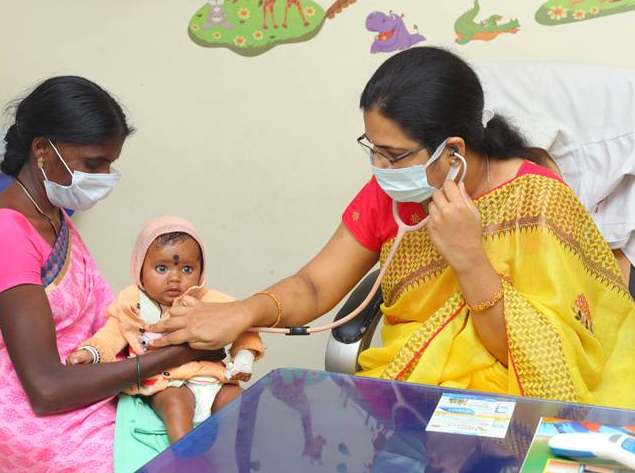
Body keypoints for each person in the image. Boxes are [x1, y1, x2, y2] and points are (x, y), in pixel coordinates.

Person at [148, 47, 635, 408]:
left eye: (393, 155)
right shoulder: (392, 195)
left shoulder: (537, 199)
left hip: (513, 400)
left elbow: (537, 361)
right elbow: (315, 285)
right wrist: (242, 311)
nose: (379, 168)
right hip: (411, 389)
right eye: (372, 149)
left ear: (453, 151)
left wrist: (469, 258)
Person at [0, 76, 224, 473]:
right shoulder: (5, 234)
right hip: (31, 416)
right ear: (42, 150)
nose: (105, 176)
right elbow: (46, 390)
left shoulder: (51, 216)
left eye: (111, 163)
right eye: (94, 164)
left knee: (217, 426)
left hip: (87, 385)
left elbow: (101, 323)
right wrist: (179, 354)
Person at [66, 215, 264, 444]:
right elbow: (110, 335)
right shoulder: (130, 306)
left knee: (244, 402)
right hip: (165, 386)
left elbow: (245, 323)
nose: (175, 278)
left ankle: (242, 456)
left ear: (201, 272)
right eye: (161, 268)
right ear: (140, 271)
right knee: (176, 406)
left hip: (214, 381)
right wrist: (91, 351)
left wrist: (245, 355)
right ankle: (187, 460)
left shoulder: (211, 301)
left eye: (187, 269)